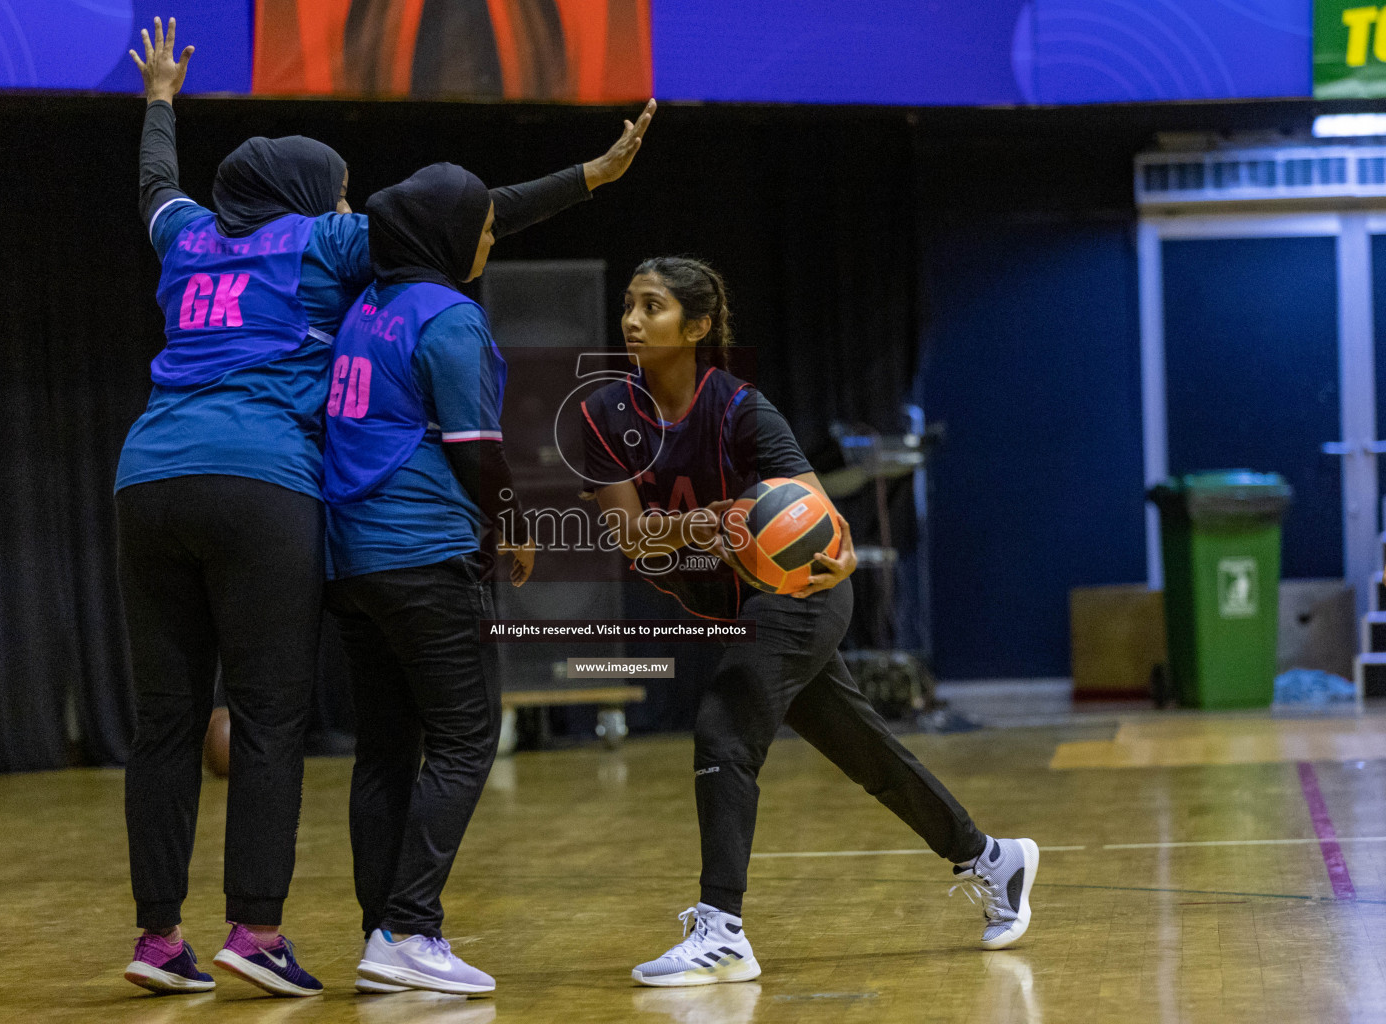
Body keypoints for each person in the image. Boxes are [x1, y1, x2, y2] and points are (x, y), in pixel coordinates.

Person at [117, 16, 654, 997]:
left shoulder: (188, 238)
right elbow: (462, 211)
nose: (354, 203)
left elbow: (158, 186)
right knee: (273, 716)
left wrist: (159, 101)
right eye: (342, 190)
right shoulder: (325, 245)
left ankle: (157, 937)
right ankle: (259, 929)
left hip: (147, 474)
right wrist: (587, 178)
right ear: (314, 201)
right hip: (263, 481)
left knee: (165, 722)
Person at [578, 256, 1040, 988]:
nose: (632, 320)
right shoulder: (604, 417)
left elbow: (819, 522)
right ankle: (991, 857)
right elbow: (633, 539)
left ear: (696, 328)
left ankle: (722, 930)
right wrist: (715, 523)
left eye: (653, 307)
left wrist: (830, 549)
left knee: (725, 727)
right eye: (629, 305)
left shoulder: (740, 409)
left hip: (800, 593)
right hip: (735, 603)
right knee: (865, 752)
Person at [322, 163, 537, 997]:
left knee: (384, 751)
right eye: (483, 224)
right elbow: (477, 446)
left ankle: (384, 934)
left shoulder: (362, 310)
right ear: (448, 233)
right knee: (465, 737)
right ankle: (411, 926)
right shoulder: (450, 318)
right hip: (422, 555)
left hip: (352, 563)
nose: (489, 237)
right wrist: (514, 524)